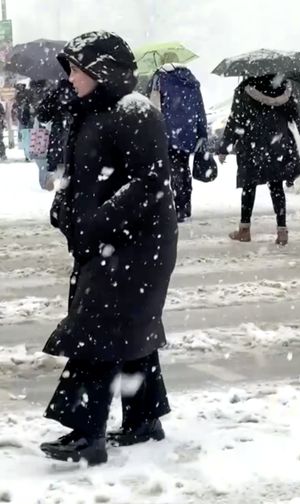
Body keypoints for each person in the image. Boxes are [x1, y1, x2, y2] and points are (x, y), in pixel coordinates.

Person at [39, 31, 177, 466]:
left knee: (97, 331)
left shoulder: (134, 112)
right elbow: (84, 172)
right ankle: (143, 418)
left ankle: (87, 434)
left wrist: (99, 222)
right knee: (129, 326)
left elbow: (148, 182)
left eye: (78, 70)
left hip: (136, 245)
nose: (72, 78)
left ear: (101, 71)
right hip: (108, 242)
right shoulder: (93, 110)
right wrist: (64, 206)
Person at [217, 74, 300, 245]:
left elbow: (235, 120)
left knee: (249, 187)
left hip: (252, 145)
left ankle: (244, 230)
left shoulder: (245, 90)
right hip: (278, 144)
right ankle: (282, 231)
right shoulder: (284, 89)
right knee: (277, 187)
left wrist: (225, 147)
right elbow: (295, 115)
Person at [149, 54, 208, 223]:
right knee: (183, 168)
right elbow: (199, 108)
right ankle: (185, 205)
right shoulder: (192, 80)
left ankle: (175, 207)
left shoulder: (160, 78)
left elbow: (154, 106)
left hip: (167, 131)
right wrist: (202, 132)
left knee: (169, 170)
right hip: (188, 133)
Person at [35, 79, 76, 190]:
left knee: (59, 158)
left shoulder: (55, 94)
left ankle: (57, 179)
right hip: (77, 133)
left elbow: (42, 116)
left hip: (59, 133)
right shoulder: (82, 91)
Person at [13, 83, 33, 161]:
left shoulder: (25, 94)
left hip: (26, 117)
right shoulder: (19, 95)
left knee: (26, 136)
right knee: (26, 136)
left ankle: (28, 154)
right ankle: (27, 154)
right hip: (24, 118)